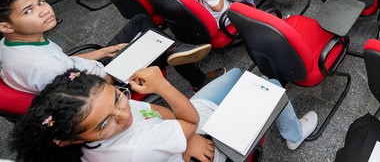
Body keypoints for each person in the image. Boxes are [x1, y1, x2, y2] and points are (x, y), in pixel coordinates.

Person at [10, 66, 318, 162]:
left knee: (238, 74)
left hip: (180, 134)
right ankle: (294, 135)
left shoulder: (115, 115)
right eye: (105, 123)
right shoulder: (133, 150)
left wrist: (181, 132)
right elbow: (188, 120)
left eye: (119, 98)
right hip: (200, 147)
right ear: (67, 140)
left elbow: (150, 109)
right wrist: (162, 84)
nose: (123, 113)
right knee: (272, 87)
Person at [0, 0, 212, 94]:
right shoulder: (42, 65)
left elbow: (66, 62)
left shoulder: (12, 44)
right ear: (5, 26)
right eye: (28, 11)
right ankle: (196, 78)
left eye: (41, 2)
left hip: (87, 68)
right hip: (105, 82)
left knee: (139, 21)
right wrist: (119, 67)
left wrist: (102, 52)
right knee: (157, 45)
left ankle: (175, 49)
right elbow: (88, 94)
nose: (44, 10)